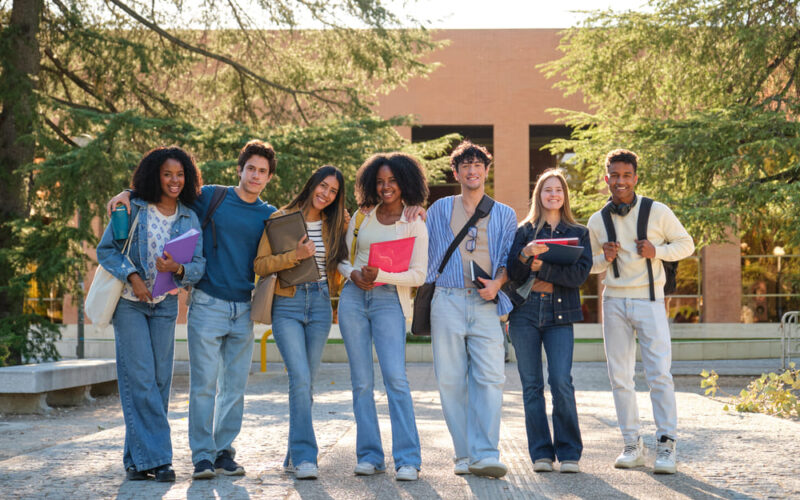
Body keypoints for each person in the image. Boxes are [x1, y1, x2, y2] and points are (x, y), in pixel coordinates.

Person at [106, 140, 278, 479]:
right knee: (203, 385)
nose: (256, 175)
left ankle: (223, 452)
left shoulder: (268, 215)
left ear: (270, 177)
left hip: (244, 307)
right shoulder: (210, 196)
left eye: (263, 171)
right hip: (206, 303)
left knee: (234, 387)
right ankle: (201, 456)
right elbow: (165, 188)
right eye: (251, 168)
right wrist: (126, 193)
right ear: (240, 169)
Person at [97, 146, 205, 482]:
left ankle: (135, 460)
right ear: (155, 175)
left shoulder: (189, 216)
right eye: (167, 174)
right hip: (129, 303)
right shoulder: (133, 208)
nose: (174, 180)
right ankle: (160, 460)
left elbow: (198, 266)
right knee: (140, 379)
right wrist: (132, 276)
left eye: (180, 174)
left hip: (165, 305)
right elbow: (107, 250)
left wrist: (179, 268)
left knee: (157, 383)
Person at [587, 149, 694, 474]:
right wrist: (603, 258)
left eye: (626, 175)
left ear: (635, 178)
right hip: (614, 302)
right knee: (620, 377)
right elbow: (587, 266)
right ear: (606, 178)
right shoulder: (596, 220)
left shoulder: (657, 211)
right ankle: (632, 445)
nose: (620, 181)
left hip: (650, 301)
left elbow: (686, 244)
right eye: (614, 176)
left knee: (659, 374)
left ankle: (666, 445)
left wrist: (657, 251)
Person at [424, 141, 517, 478]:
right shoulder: (438, 209)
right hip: (446, 299)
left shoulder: (505, 214)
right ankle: (464, 454)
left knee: (491, 378)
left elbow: (510, 259)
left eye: (478, 164)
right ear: (456, 172)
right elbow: (423, 246)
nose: (472, 170)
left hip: (486, 302)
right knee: (450, 380)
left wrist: (498, 283)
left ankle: (486, 453)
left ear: (486, 171)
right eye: (466, 165)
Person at [336, 153, 429, 481]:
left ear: (405, 182)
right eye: (380, 181)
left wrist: (383, 276)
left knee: (395, 379)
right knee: (361, 382)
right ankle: (369, 456)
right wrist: (353, 275)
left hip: (390, 301)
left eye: (392, 181)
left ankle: (408, 459)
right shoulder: (362, 218)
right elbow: (341, 260)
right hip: (353, 300)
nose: (386, 187)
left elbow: (419, 274)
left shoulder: (414, 221)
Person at [253, 165, 349, 480]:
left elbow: (345, 259)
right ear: (311, 185)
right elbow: (260, 264)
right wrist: (294, 255)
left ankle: (294, 454)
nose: (326, 194)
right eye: (323, 186)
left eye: (333, 191)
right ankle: (306, 457)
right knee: (300, 379)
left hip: (321, 304)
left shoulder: (335, 223)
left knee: (306, 384)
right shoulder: (282, 218)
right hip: (288, 303)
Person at [506, 169, 591, 473]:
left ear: (564, 195)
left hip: (560, 315)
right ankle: (541, 454)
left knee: (561, 382)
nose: (553, 195)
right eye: (547, 190)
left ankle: (569, 453)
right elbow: (513, 276)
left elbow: (579, 276)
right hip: (525, 314)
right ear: (538, 195)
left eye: (558, 190)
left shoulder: (579, 233)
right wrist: (525, 256)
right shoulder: (524, 231)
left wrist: (541, 269)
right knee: (531, 386)